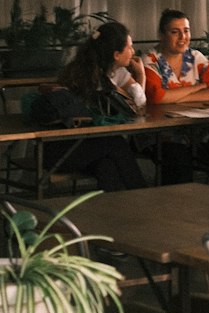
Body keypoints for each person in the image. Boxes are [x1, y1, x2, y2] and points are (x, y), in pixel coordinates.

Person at [31, 19, 147, 191]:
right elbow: (132, 110)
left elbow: (139, 107)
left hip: (87, 148)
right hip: (59, 149)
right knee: (115, 143)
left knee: (107, 166)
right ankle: (142, 195)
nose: (133, 51)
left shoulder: (115, 72)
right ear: (116, 54)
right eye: (129, 47)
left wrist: (141, 76)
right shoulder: (87, 77)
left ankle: (122, 213)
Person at [143, 10, 209, 105]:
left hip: (195, 117)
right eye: (175, 32)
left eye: (186, 31)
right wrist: (197, 87)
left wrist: (179, 98)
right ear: (162, 35)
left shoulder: (196, 57)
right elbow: (157, 97)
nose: (182, 37)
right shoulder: (150, 59)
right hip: (158, 118)